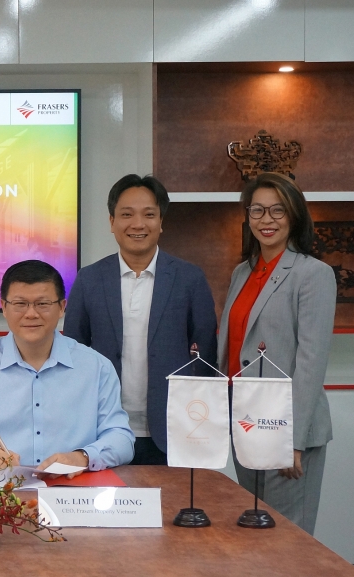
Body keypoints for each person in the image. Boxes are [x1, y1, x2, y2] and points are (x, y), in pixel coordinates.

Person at [63, 174, 217, 465]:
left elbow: (205, 357)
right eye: (126, 214)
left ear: (161, 221)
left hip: (174, 430)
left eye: (148, 214)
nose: (138, 224)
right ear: (112, 222)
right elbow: (74, 353)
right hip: (104, 429)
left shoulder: (189, 278)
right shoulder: (89, 279)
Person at [218, 172, 336, 535]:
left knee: (287, 537)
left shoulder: (313, 274)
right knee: (254, 533)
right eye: (257, 210)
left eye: (277, 210)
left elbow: (311, 362)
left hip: (284, 428)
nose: (266, 219)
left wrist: (291, 441)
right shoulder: (242, 272)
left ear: (295, 215)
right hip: (246, 421)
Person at [0, 260, 134, 475]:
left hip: (72, 487)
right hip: (0, 489)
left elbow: (122, 439)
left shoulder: (97, 367)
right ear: (4, 307)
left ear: (62, 307)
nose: (31, 314)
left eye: (42, 304)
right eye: (20, 304)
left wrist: (83, 457)